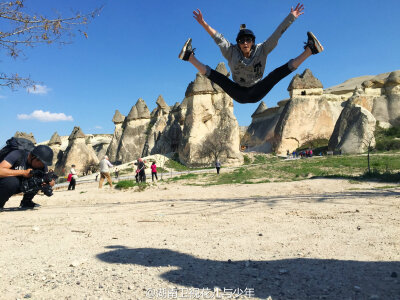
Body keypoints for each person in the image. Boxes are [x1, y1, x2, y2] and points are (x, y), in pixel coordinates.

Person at [178, 4, 323, 104]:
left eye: (248, 40)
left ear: (253, 41)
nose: (245, 43)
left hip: (257, 90)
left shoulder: (262, 49)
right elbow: (218, 38)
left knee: (277, 74)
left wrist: (291, 17)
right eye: (241, 41)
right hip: (238, 92)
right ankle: (189, 56)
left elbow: (277, 34)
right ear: (238, 43)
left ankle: (311, 50)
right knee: (218, 77)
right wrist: (203, 23)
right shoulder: (231, 51)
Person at [0, 145, 54, 210]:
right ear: (33, 157)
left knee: (38, 179)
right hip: (4, 183)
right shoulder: (18, 154)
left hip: (20, 186)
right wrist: (23, 172)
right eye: (41, 163)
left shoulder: (42, 166)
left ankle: (26, 202)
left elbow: (45, 179)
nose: (42, 165)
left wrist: (49, 183)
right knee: (12, 181)